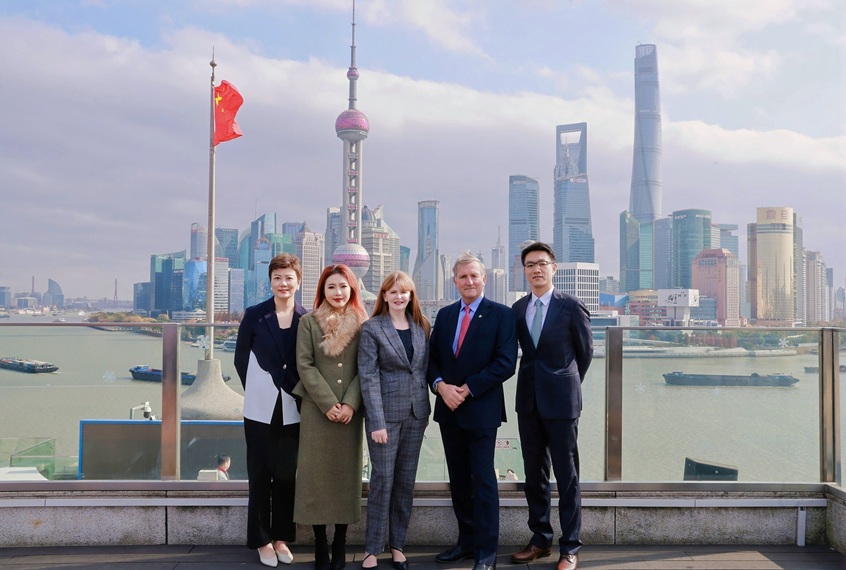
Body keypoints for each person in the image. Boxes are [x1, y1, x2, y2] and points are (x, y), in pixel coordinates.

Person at [427, 252, 518, 570]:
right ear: (454, 281)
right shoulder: (446, 314)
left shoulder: (502, 315)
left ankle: (486, 552)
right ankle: (465, 542)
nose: (469, 281)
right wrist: (440, 385)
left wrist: (467, 389)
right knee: (459, 481)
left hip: (481, 409)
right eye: (462, 276)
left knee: (483, 481)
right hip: (447, 409)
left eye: (474, 276)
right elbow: (432, 358)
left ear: (485, 279)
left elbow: (506, 362)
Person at [509, 242, 593, 570]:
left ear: (553, 268)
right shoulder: (517, 309)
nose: (536, 270)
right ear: (524, 270)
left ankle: (570, 546)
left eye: (542, 263)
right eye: (530, 265)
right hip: (528, 402)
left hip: (562, 403)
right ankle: (540, 539)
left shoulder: (571, 306)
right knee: (534, 474)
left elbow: (584, 354)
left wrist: (565, 383)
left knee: (567, 476)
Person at [234, 253, 308, 568]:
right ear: (270, 281)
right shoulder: (254, 315)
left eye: (289, 277)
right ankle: (262, 539)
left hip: (294, 406)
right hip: (260, 408)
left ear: (298, 281)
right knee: (260, 474)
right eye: (277, 277)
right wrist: (259, 390)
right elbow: (240, 359)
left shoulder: (307, 318)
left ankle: (281, 538)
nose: (283, 283)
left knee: (286, 476)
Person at [294, 264, 368, 570]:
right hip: (316, 411)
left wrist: (350, 403)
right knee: (315, 477)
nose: (338, 293)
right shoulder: (309, 322)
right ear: (322, 290)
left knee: (344, 477)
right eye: (331, 287)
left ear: (353, 289)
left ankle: (340, 541)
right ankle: (320, 543)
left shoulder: (364, 323)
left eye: (343, 287)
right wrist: (328, 403)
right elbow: (304, 364)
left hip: (350, 413)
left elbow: (366, 367)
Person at [358, 271, 431, 570]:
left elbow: (424, 370)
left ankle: (398, 544)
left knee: (405, 482)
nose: (400, 296)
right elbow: (368, 376)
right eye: (393, 292)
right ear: (384, 296)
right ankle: (373, 548)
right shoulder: (372, 328)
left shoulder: (422, 327)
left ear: (411, 296)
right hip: (384, 418)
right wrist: (376, 422)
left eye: (405, 292)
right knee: (382, 482)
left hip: (417, 414)